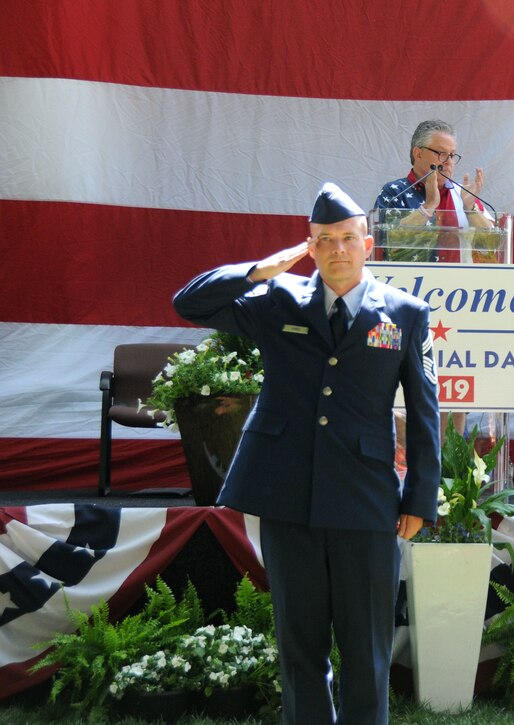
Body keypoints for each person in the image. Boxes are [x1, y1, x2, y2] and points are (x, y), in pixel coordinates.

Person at [173, 182, 441, 725]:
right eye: (325, 240)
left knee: (366, 652)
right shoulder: (278, 300)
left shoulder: (405, 313)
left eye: (347, 237)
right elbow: (189, 302)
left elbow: (424, 408)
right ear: (310, 247)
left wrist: (421, 497)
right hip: (286, 494)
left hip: (366, 500)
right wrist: (259, 271)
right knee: (300, 650)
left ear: (368, 242)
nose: (338, 249)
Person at [373, 118, 492, 262]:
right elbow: (386, 244)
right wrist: (428, 207)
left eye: (452, 155)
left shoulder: (463, 194)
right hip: (411, 283)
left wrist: (470, 209)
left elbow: (491, 245)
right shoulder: (395, 193)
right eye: (441, 153)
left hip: (459, 283)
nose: (448, 161)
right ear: (418, 153)